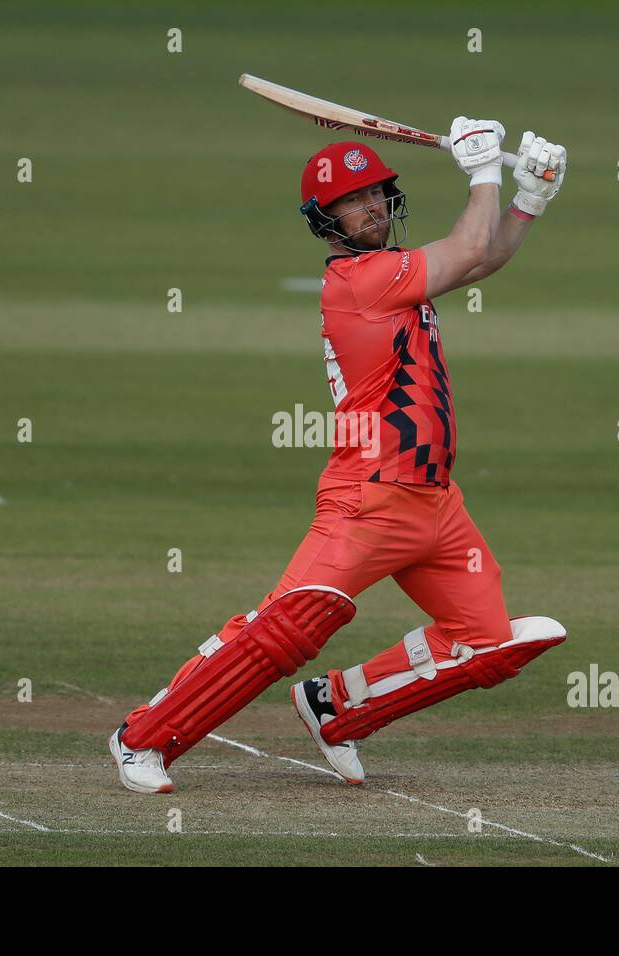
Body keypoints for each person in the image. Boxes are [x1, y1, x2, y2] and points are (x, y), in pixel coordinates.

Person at [111, 118, 569, 794]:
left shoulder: (399, 275)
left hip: (438, 505)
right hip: (368, 495)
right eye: (350, 203)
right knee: (292, 624)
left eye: (376, 195)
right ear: (326, 222)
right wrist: (481, 172)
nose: (369, 210)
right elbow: (469, 244)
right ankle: (142, 736)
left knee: (488, 642)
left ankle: (338, 709)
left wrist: (529, 195)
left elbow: (483, 256)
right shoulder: (363, 281)